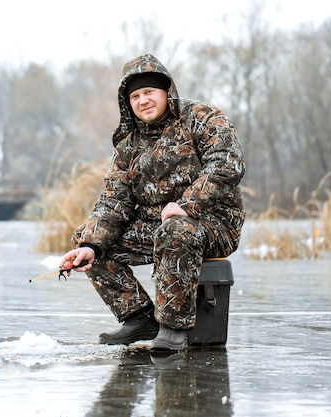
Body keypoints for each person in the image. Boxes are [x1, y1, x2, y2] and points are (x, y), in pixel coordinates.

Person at [59, 54, 246, 352]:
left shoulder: (202, 117)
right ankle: (139, 317)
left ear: (166, 90)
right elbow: (113, 202)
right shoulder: (128, 144)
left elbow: (228, 163)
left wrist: (188, 205)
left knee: (174, 231)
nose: (143, 100)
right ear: (127, 101)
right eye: (135, 95)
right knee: (87, 240)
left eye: (149, 92)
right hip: (157, 226)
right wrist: (91, 246)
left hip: (213, 222)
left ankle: (173, 329)